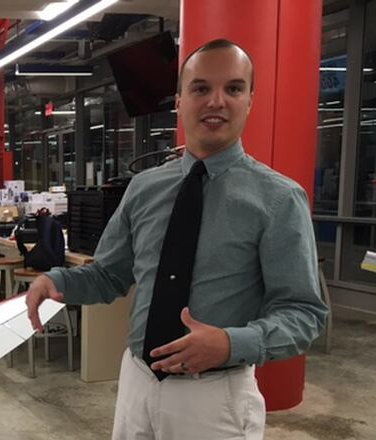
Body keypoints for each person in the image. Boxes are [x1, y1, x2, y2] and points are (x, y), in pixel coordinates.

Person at [25, 39, 328, 439]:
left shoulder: (278, 200)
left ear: (250, 101)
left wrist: (230, 343)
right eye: (201, 88)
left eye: (233, 89)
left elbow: (304, 313)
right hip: (137, 383)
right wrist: (57, 281)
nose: (216, 101)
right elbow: (109, 276)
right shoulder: (145, 188)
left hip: (214, 398)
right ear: (180, 100)